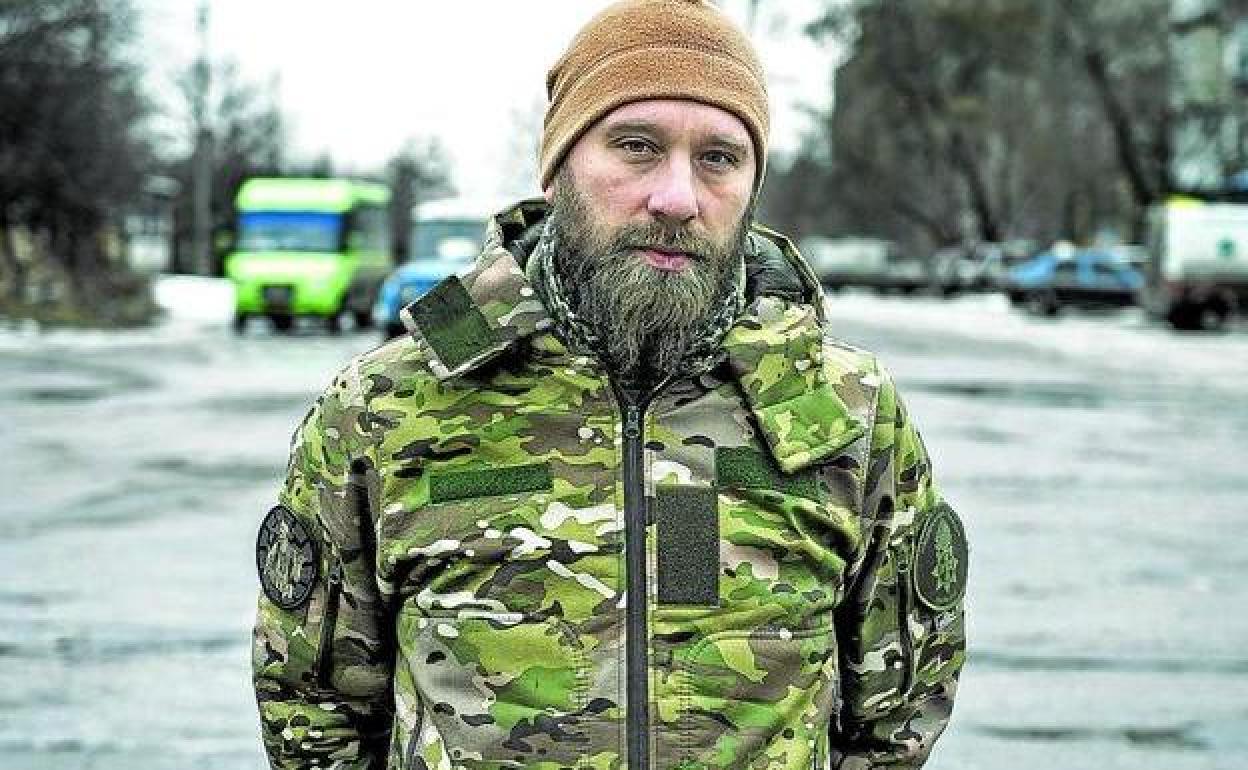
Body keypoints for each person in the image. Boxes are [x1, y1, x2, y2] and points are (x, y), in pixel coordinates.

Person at [251, 1, 968, 768]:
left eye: (719, 158)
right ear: (558, 167)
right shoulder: (388, 405)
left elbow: (898, 716)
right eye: (636, 147)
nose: (677, 198)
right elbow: (314, 708)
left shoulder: (846, 410)